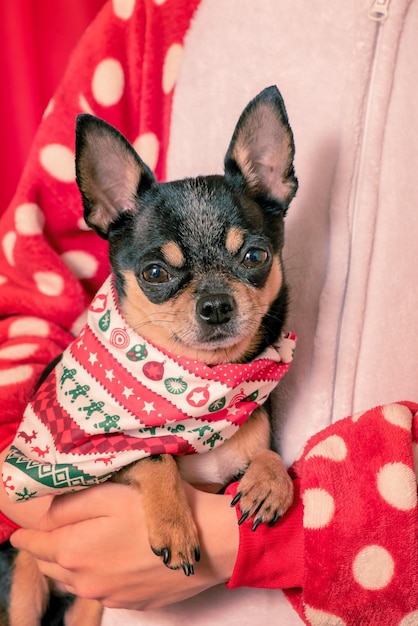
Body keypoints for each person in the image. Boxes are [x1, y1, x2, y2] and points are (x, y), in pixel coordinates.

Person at [0, 1, 417, 625]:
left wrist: (257, 537)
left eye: (247, 257)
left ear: (274, 181)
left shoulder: (251, 399)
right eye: (163, 275)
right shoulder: (150, 20)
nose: (214, 302)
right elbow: (28, 281)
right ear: (108, 213)